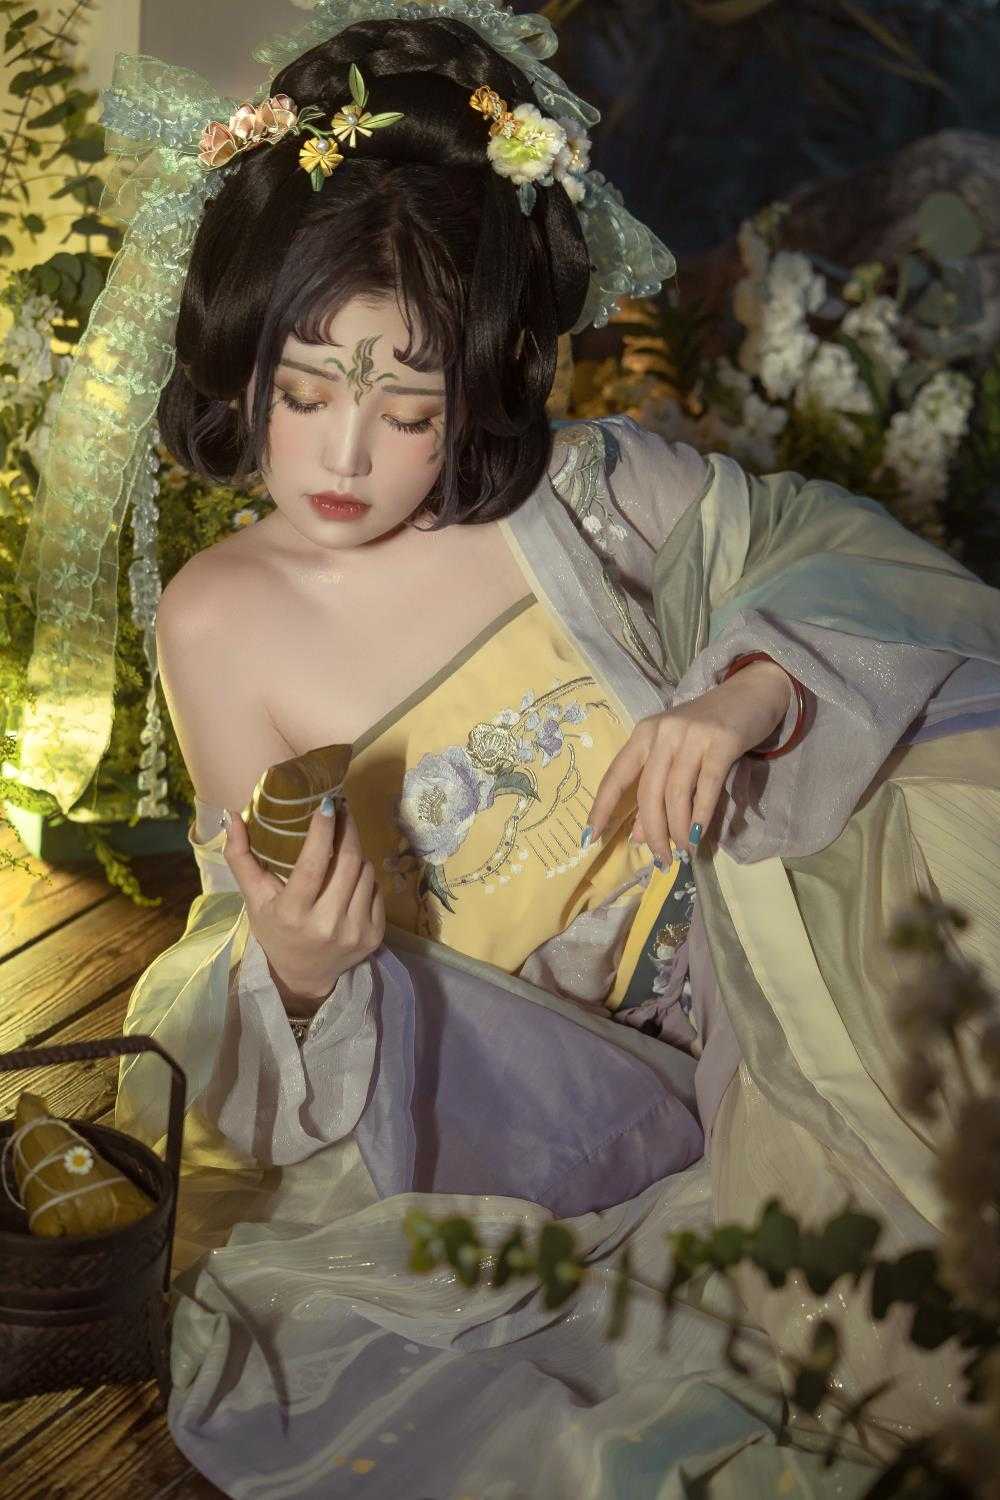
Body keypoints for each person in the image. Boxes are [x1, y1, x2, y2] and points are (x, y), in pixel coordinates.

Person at [14, 3, 1000, 1495]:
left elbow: (835, 560)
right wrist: (301, 963)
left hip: (771, 984)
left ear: (476, 385)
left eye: (410, 407)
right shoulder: (221, 618)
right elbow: (250, 917)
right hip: (513, 1103)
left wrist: (744, 695)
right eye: (304, 392)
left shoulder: (581, 496)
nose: (346, 456)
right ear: (239, 361)